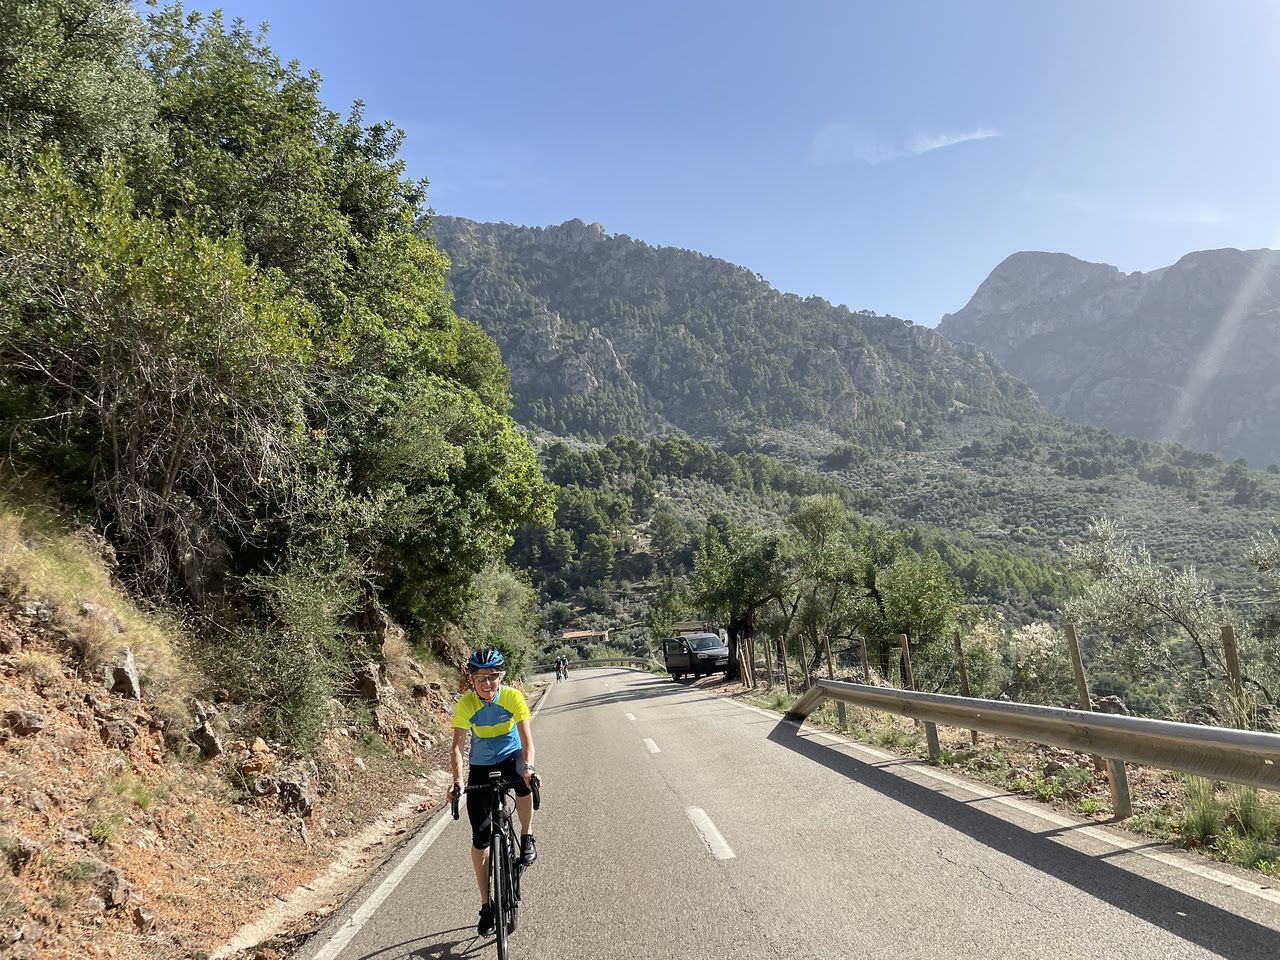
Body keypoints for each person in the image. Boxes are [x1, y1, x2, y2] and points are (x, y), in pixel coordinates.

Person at [447, 647, 539, 937]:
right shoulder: (466, 703)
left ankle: (526, 836)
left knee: (525, 783)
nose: (487, 683)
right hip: (481, 764)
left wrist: (530, 768)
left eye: (492, 676)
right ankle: (486, 905)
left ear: (501, 676)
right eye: (480, 677)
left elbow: (527, 740)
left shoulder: (512, 697)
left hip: (511, 754)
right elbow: (457, 747)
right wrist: (458, 781)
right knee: (480, 840)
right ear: (471, 680)